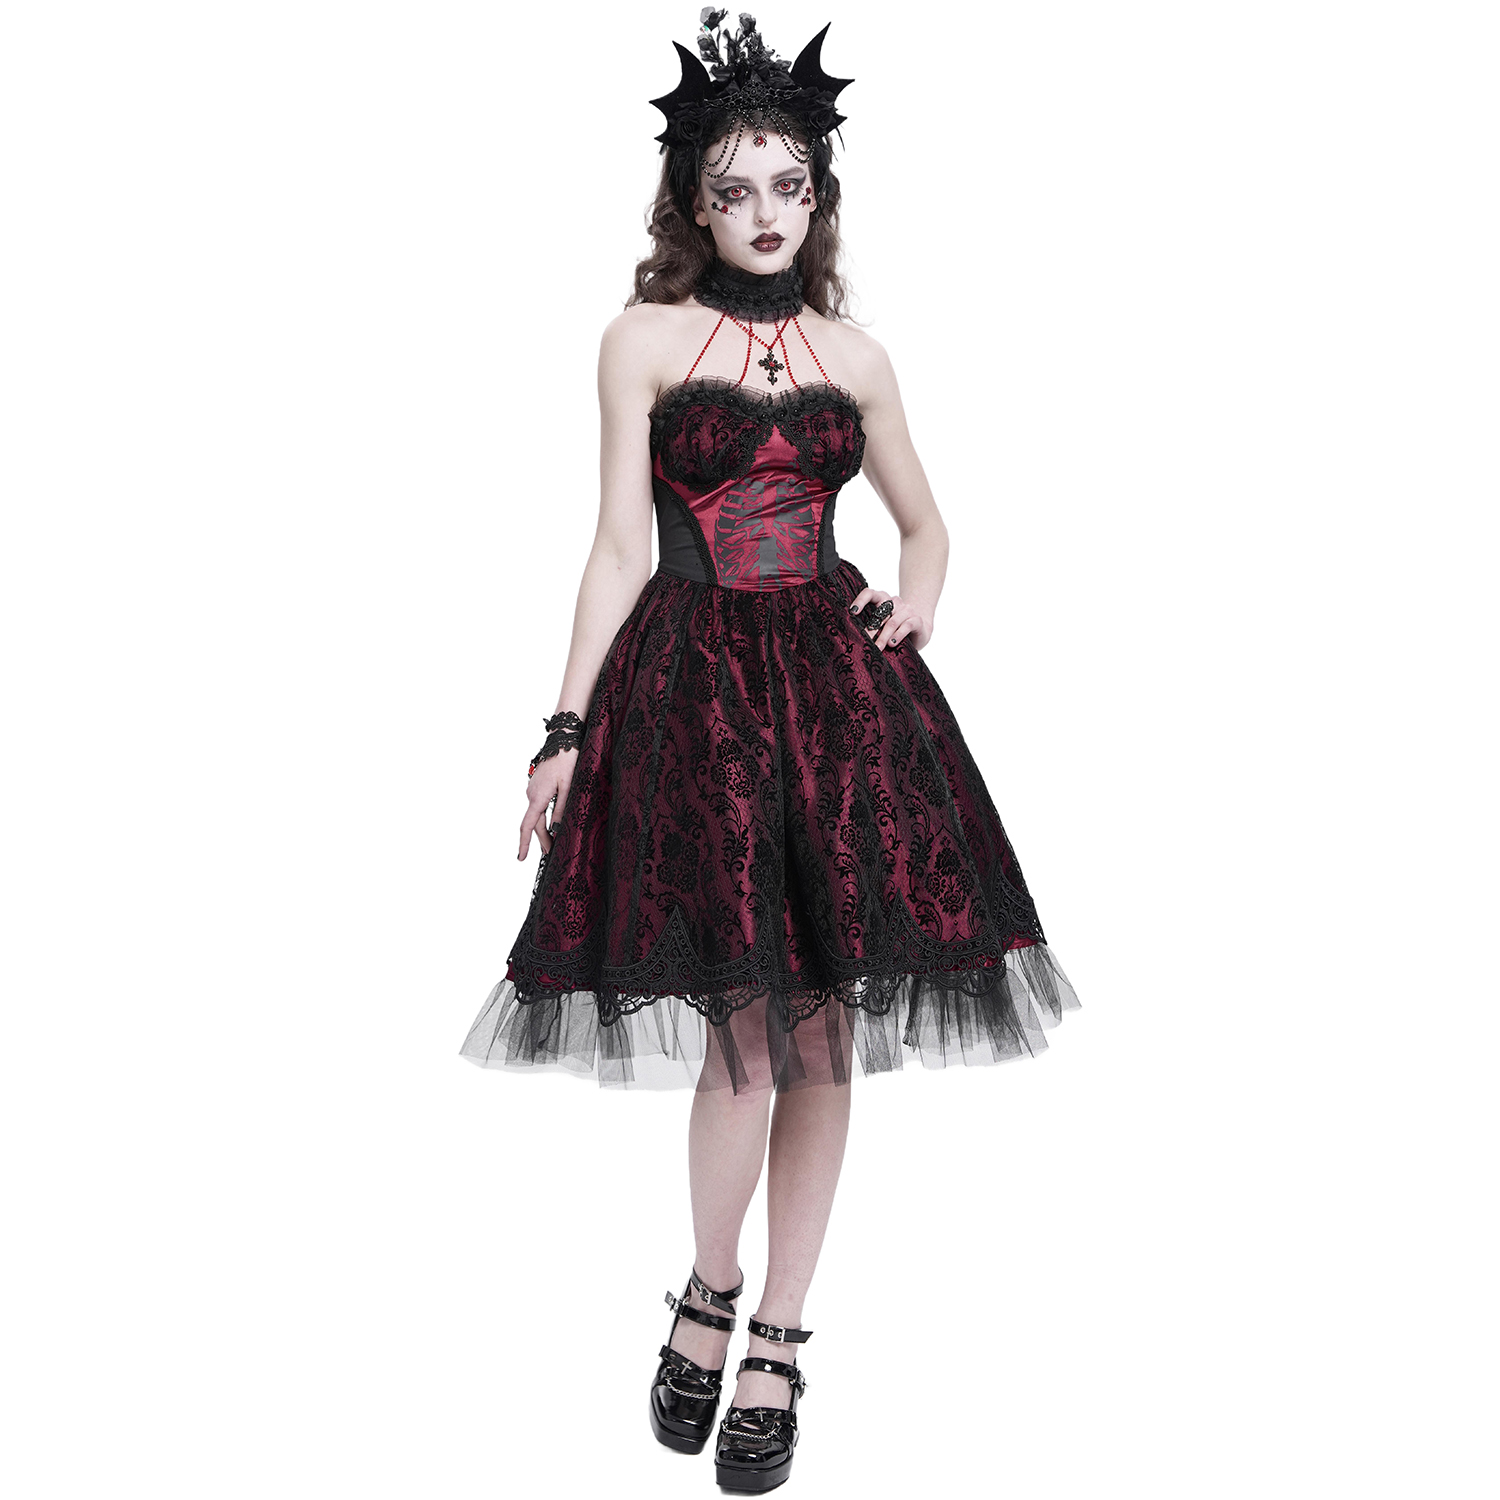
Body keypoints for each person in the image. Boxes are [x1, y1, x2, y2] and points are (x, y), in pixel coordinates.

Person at [459, 11, 1081, 1491]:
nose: (763, 214)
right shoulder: (640, 342)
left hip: (839, 702)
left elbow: (928, 523)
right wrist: (562, 726)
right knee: (744, 1025)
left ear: (819, 196)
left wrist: (918, 596)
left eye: (788, 187)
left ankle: (782, 1337)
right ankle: (710, 1285)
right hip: (695, 698)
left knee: (823, 1027)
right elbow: (619, 547)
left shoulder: (859, 355)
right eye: (733, 189)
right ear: (693, 199)